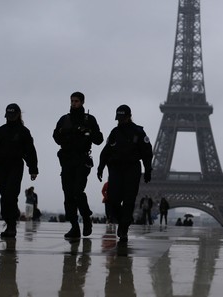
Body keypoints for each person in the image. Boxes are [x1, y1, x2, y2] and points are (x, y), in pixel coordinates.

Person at [0, 103, 38, 238]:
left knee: (11, 195)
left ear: (18, 115)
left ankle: (11, 226)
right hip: (1, 167)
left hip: (16, 166)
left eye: (13, 115)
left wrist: (33, 169)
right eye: (9, 115)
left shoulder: (23, 132)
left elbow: (30, 151)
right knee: (4, 197)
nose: (11, 117)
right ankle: (8, 222)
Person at [97, 105, 153, 243]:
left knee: (129, 201)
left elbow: (147, 152)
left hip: (131, 168)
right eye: (118, 118)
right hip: (116, 168)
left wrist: (148, 170)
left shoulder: (138, 132)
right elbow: (106, 151)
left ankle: (123, 229)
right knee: (113, 200)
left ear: (129, 116)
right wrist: (100, 166)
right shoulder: (115, 132)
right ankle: (124, 221)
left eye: (122, 118)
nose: (120, 121)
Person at [53, 91, 103, 239]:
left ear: (82, 102)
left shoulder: (89, 120)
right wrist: (67, 134)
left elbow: (99, 139)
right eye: (72, 101)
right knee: (68, 194)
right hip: (67, 160)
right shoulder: (64, 119)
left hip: (82, 159)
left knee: (77, 191)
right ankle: (74, 226)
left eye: (76, 101)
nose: (73, 103)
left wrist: (88, 131)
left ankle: (86, 217)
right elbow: (56, 136)